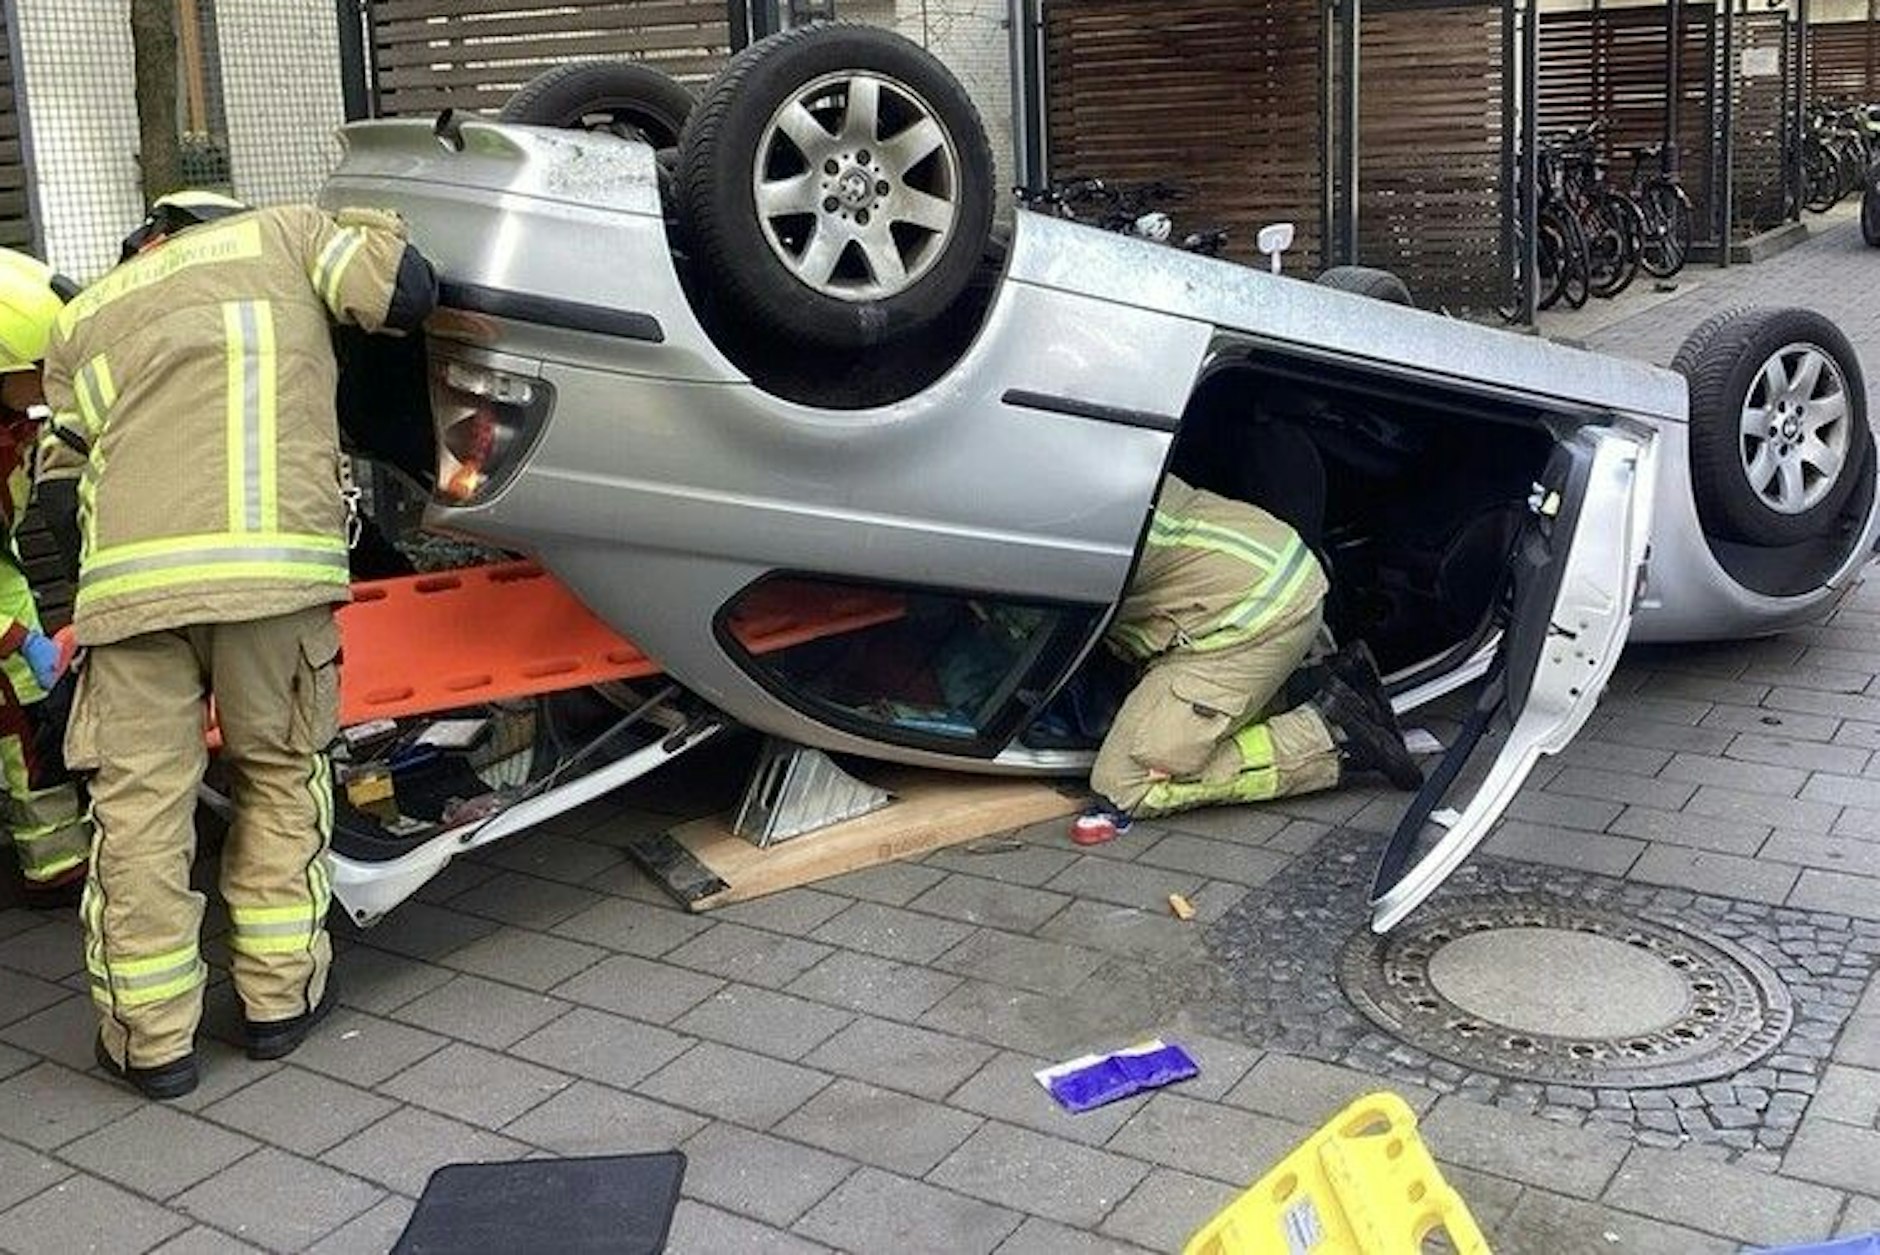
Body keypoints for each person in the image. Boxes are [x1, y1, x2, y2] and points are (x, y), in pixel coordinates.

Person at [41, 190, 438, 1099]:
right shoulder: (290, 234)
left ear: (149, 238)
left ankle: (150, 1043)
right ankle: (278, 1001)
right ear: (224, 214)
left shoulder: (90, 312)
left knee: (138, 811)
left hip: (131, 598)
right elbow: (402, 292)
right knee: (280, 774)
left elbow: (58, 494)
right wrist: (377, 217)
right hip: (272, 580)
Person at [1075, 474, 1422, 843]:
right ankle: (1312, 683)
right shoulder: (1085, 465)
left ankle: (1331, 734)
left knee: (1128, 785)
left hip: (1250, 614)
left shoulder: (1070, 521)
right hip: (1256, 576)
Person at [0, 249, 89, 905]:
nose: (47, 380)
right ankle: (55, 867)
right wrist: (15, 636)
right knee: (28, 746)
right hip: (5, 631)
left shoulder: (13, 432)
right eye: (35, 369)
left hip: (13, 611)